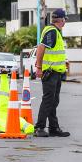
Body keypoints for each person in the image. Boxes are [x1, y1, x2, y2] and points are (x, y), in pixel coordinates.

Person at [33, 9, 70, 138]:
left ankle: (54, 128)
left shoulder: (55, 31)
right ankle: (39, 127)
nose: (65, 21)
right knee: (48, 100)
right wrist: (39, 67)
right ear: (61, 20)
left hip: (56, 73)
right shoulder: (52, 31)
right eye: (64, 19)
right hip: (50, 72)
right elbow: (41, 47)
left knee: (53, 101)